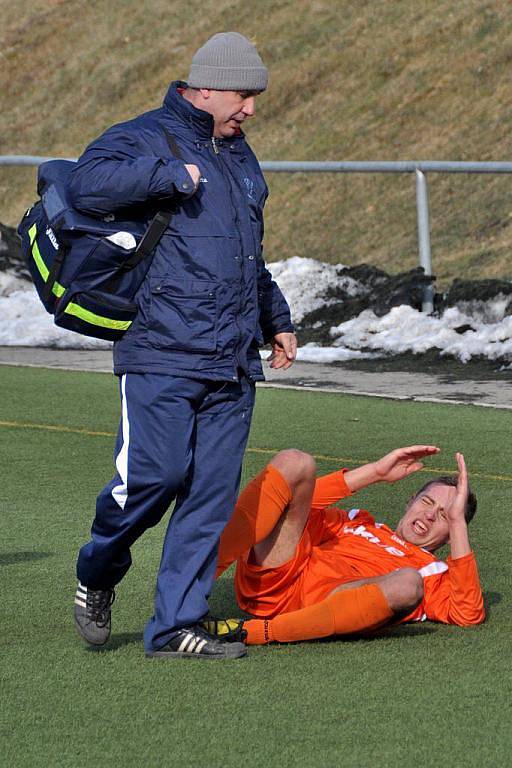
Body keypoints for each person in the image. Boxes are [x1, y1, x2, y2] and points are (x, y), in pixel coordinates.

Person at [71, 32, 296, 659]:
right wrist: (168, 176)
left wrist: (275, 317)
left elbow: (246, 252)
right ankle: (98, 571)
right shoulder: (145, 136)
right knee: (154, 477)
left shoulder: (240, 155)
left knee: (210, 496)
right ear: (203, 87)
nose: (251, 109)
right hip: (161, 350)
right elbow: (88, 184)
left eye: (255, 97)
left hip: (231, 359)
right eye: (243, 95)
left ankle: (175, 628)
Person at [206, 445, 485, 645]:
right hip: (277, 578)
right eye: (426, 502)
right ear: (410, 501)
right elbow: (296, 503)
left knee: (407, 583)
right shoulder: (358, 523)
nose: (428, 515)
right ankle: (193, 586)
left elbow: (468, 613)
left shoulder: (433, 572)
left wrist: (458, 521)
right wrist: (375, 472)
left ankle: (257, 632)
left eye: (444, 515)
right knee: (295, 462)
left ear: (451, 534)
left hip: (329, 608)